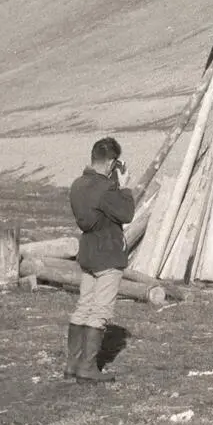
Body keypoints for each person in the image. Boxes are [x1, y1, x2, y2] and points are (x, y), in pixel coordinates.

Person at [66, 137, 135, 384]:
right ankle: (88, 367)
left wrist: (113, 184)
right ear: (111, 163)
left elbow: (100, 212)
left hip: (88, 252)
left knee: (84, 307)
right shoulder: (107, 189)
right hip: (108, 254)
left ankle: (72, 364)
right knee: (100, 312)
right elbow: (126, 213)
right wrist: (124, 187)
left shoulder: (77, 185)